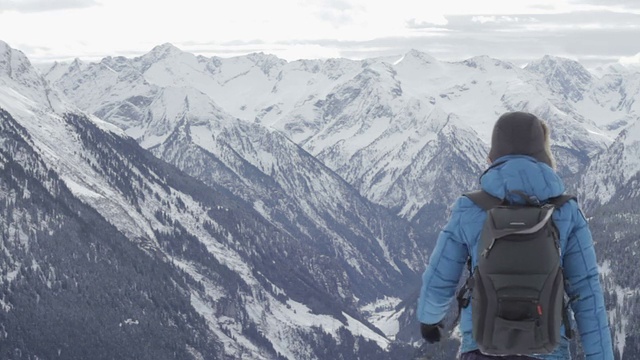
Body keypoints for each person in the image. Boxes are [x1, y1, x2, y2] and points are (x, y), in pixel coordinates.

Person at [416, 111, 614, 359]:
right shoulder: (566, 211)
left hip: (482, 344)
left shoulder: (470, 208)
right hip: (548, 347)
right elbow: (586, 293)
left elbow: (440, 276)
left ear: (493, 157)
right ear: (544, 154)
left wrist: (429, 320)